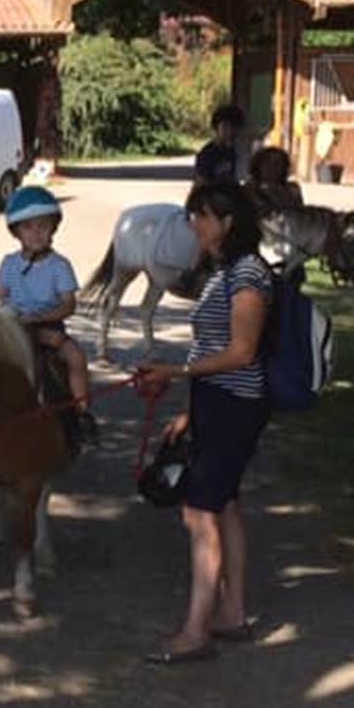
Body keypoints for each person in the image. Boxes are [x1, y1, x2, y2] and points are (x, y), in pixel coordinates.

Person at [137, 181, 274, 664]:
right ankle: (231, 614)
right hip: (217, 402)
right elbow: (213, 348)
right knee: (226, 504)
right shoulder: (226, 272)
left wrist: (174, 372)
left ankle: (196, 631)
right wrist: (190, 410)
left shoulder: (248, 274)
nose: (193, 224)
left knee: (199, 512)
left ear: (227, 222)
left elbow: (242, 352)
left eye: (201, 216)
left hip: (235, 404)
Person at [0, 186, 94, 425]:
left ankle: (82, 412)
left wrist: (38, 319)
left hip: (49, 326)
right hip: (13, 327)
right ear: (16, 232)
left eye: (43, 226)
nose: (36, 233)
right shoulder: (8, 264)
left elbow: (68, 305)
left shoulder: (60, 266)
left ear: (53, 229)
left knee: (76, 357)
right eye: (28, 227)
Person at [194, 104, 244, 186]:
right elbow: (201, 183)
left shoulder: (231, 151)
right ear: (216, 127)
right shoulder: (207, 154)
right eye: (225, 126)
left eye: (234, 127)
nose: (230, 131)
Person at [245, 144, 304, 213]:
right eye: (267, 162)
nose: (272, 167)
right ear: (258, 165)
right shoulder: (248, 191)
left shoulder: (292, 192)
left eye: (277, 163)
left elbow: (299, 214)